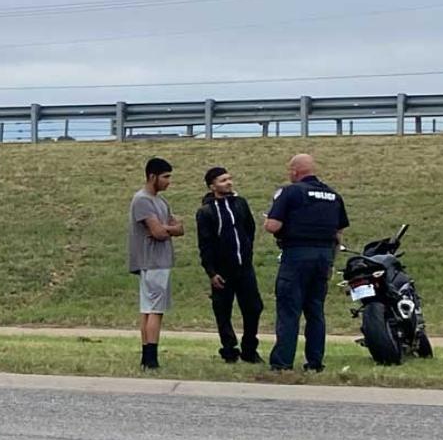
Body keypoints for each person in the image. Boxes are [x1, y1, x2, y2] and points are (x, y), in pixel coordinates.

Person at [263, 154, 348, 372]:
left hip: (297, 256)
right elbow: (339, 234)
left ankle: (282, 363)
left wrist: (268, 219)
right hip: (324, 258)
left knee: (289, 311)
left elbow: (272, 226)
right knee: (315, 311)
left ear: (294, 171)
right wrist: (330, 260)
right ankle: (315, 362)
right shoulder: (333, 195)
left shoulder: (290, 192)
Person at [196, 166, 263, 364]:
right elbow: (205, 244)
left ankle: (249, 348)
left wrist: (246, 252)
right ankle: (228, 348)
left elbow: (250, 229)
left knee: (253, 307)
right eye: (223, 180)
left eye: (229, 179)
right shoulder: (206, 211)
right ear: (212, 186)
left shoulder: (240, 203)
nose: (228, 183)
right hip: (221, 270)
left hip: (244, 268)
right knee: (223, 309)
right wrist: (211, 271)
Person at [129, 157, 185, 370]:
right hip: (153, 261)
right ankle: (150, 355)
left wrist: (169, 228)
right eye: (166, 176)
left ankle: (147, 356)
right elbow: (159, 232)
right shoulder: (142, 200)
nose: (169, 181)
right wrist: (168, 228)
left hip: (161, 261)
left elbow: (179, 228)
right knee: (154, 309)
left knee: (148, 308)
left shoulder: (161, 202)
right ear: (152, 176)